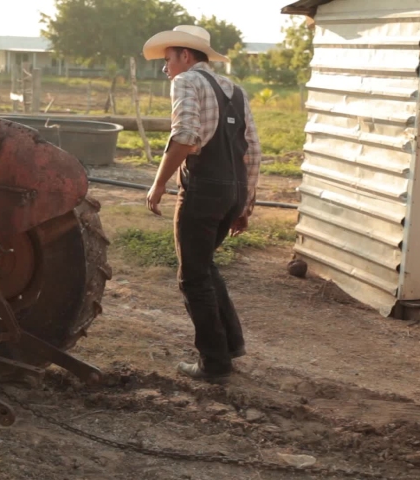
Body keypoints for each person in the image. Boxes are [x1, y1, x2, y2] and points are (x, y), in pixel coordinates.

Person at [142, 25, 261, 383]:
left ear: (186, 56)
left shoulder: (186, 82)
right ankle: (230, 344)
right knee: (205, 266)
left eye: (168, 59)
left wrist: (159, 183)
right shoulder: (236, 91)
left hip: (204, 190)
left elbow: (185, 135)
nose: (166, 69)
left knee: (192, 277)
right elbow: (252, 149)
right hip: (233, 191)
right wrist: (244, 203)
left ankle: (213, 362)